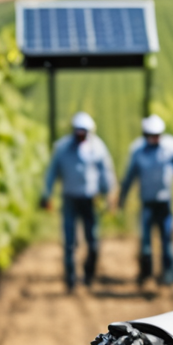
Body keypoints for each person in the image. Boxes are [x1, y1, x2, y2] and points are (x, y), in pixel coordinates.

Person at [118, 114, 173, 287]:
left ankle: (168, 278)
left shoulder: (172, 148)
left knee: (167, 239)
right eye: (150, 135)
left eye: (157, 135)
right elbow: (129, 177)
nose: (154, 138)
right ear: (145, 134)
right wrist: (121, 198)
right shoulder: (138, 151)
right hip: (147, 203)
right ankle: (146, 274)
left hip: (165, 203)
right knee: (145, 242)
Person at [39, 111, 114, 291]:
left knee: (93, 240)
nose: (80, 135)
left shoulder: (98, 148)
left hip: (90, 199)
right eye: (78, 131)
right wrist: (46, 194)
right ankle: (71, 279)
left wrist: (109, 193)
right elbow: (52, 173)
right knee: (70, 241)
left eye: (84, 132)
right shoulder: (62, 148)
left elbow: (106, 172)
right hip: (70, 199)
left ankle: (88, 274)